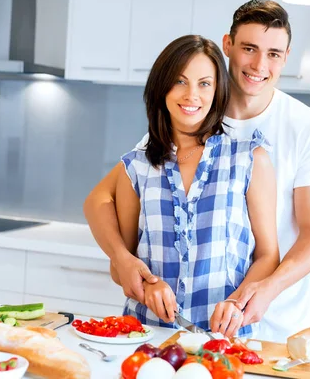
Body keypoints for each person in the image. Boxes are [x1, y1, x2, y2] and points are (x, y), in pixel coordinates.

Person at [84, 0, 310, 343]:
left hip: (276, 321)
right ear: (228, 46)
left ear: (285, 57)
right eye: (249, 48)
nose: (260, 64)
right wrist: (123, 261)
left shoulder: (304, 129)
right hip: (166, 331)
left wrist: (264, 289)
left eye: (274, 53)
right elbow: (104, 196)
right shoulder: (184, 121)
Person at [112, 34, 279, 338]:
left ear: (217, 91)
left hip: (224, 341)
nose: (192, 95)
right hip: (145, 337)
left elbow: (269, 255)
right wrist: (148, 286)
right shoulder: (136, 167)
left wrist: (236, 302)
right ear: (161, 87)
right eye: (179, 81)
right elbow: (122, 264)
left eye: (204, 83)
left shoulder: (249, 159)